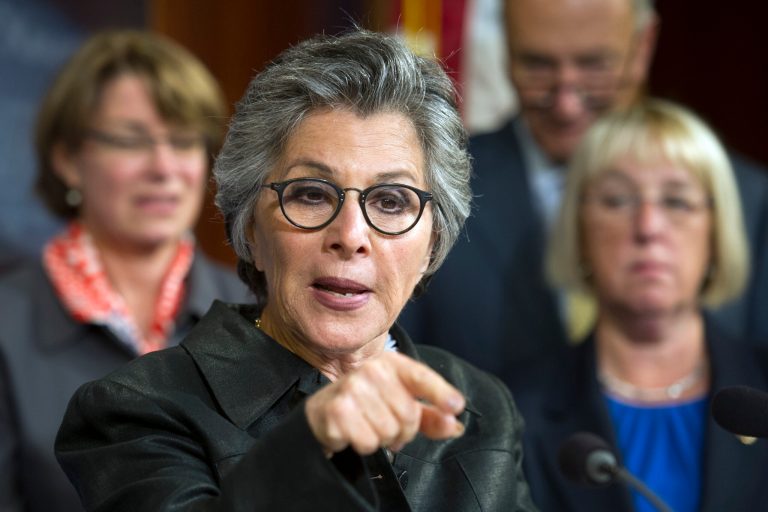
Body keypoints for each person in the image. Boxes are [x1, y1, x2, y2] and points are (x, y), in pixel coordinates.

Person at [53, 29, 538, 511]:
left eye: (391, 201)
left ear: (433, 243)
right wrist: (308, 446)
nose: (350, 235)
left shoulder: (478, 405)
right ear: (249, 231)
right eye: (311, 194)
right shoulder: (136, 410)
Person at [399, 0, 768, 386]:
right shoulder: (429, 189)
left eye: (594, 65)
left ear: (643, 45)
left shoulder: (748, 199)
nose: (566, 103)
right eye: (538, 65)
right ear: (505, 49)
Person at [0, 31, 250, 511]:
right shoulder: (7, 324)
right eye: (132, 141)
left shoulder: (260, 312)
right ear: (68, 160)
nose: (163, 167)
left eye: (183, 141)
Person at [511, 99, 768, 512]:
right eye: (616, 200)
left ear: (717, 234)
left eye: (677, 201)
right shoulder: (512, 413)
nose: (648, 227)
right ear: (579, 232)